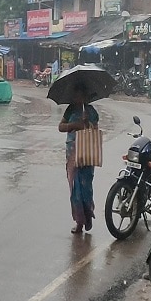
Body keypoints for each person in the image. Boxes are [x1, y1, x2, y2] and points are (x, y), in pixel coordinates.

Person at [58, 82, 99, 234]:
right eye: (75, 95)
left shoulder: (91, 112)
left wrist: (87, 123)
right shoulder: (70, 110)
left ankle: (88, 216)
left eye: (80, 95)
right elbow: (60, 127)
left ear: (85, 96)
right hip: (72, 154)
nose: (77, 98)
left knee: (86, 187)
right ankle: (79, 222)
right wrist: (74, 124)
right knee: (75, 190)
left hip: (87, 154)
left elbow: (95, 131)